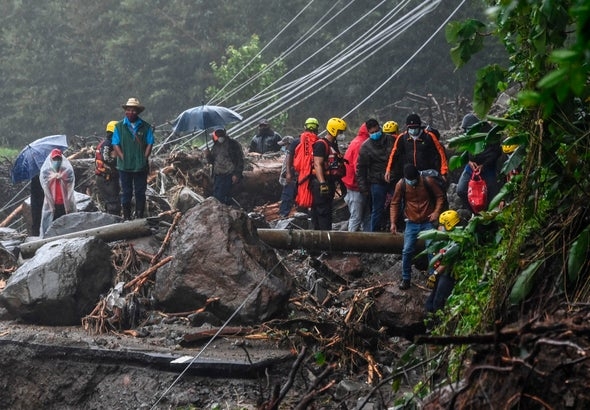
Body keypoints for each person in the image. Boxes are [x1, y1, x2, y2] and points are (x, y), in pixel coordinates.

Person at [390, 164, 445, 290]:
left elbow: (440, 196)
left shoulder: (427, 181)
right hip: (411, 221)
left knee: (431, 248)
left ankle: (432, 277)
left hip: (427, 221)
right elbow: (394, 203)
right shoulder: (402, 184)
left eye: (413, 179)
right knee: (407, 250)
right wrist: (393, 222)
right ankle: (406, 279)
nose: (412, 182)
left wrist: (436, 212)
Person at [112, 97, 154, 220]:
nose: (131, 113)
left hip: (140, 167)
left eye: (134, 110)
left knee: (140, 192)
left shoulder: (145, 127)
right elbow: (115, 143)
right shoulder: (119, 127)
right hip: (124, 167)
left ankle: (140, 216)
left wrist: (144, 157)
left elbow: (150, 143)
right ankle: (127, 217)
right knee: (126, 193)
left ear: (138, 112)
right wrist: (122, 157)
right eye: (129, 110)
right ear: (125, 111)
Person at [455, 113, 502, 214]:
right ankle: (474, 212)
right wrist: (469, 161)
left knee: (492, 193)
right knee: (461, 190)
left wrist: (484, 165)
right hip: (471, 167)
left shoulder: (489, 134)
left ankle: (490, 214)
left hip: (487, 167)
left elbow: (496, 153)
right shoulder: (468, 136)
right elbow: (463, 151)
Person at [384, 113, 448, 186]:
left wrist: (443, 172)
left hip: (428, 172)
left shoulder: (429, 136)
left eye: (415, 127)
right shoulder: (402, 138)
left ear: (419, 126)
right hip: (410, 174)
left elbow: (441, 153)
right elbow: (393, 154)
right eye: (411, 128)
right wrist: (388, 170)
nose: (413, 130)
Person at [357, 119, 397, 232]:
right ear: (368, 132)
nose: (375, 133)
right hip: (377, 181)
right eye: (372, 132)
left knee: (399, 203)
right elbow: (361, 169)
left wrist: (397, 174)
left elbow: (399, 159)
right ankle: (375, 233)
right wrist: (363, 187)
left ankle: (397, 227)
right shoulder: (365, 147)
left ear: (380, 128)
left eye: (376, 130)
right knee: (377, 209)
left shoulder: (391, 140)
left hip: (393, 179)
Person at [310, 117, 347, 230]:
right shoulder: (321, 144)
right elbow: (317, 164)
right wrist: (322, 183)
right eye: (340, 132)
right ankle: (323, 239)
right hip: (321, 183)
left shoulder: (333, 144)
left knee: (327, 210)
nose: (341, 134)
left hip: (330, 182)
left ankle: (322, 239)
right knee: (323, 212)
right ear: (333, 130)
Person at [425, 210, 462, 314]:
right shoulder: (444, 238)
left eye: (441, 225)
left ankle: (438, 324)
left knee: (438, 301)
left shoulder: (456, 240)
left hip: (448, 275)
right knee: (430, 303)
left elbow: (447, 261)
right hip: (441, 273)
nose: (439, 227)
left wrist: (435, 274)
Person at [341, 121, 371, 231]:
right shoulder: (362, 144)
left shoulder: (358, 141)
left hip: (355, 185)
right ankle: (349, 244)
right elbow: (358, 167)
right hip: (356, 186)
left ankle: (366, 243)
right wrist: (364, 184)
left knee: (365, 217)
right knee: (357, 217)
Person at [39, 148, 76, 237]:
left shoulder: (66, 171)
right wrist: (53, 177)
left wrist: (61, 177)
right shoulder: (47, 172)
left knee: (66, 224)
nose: (57, 161)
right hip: (52, 203)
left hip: (65, 203)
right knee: (50, 223)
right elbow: (44, 183)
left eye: (58, 159)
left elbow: (70, 181)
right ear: (51, 159)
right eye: (55, 159)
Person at [206, 128, 244, 205]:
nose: (218, 138)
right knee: (216, 196)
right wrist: (208, 155)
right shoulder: (215, 146)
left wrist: (237, 174)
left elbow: (240, 160)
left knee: (223, 196)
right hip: (218, 175)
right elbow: (212, 161)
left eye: (220, 136)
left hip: (228, 174)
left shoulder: (233, 144)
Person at [95, 120, 121, 215]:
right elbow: (106, 158)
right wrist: (118, 162)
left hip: (105, 177)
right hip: (106, 178)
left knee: (111, 202)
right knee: (113, 203)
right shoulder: (108, 144)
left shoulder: (105, 143)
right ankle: (115, 224)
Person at [278, 135, 295, 217]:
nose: (283, 147)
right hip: (287, 180)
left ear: (289, 144)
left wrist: (288, 175)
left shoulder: (293, 154)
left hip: (290, 180)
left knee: (287, 198)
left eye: (284, 145)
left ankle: (284, 216)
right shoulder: (288, 154)